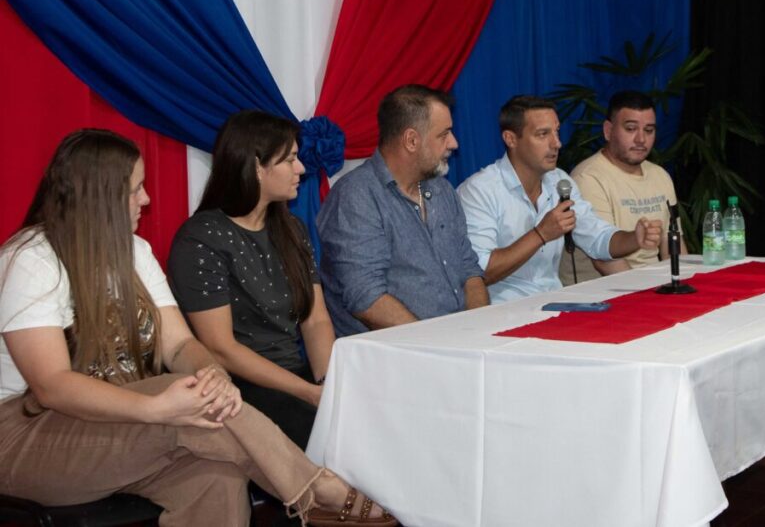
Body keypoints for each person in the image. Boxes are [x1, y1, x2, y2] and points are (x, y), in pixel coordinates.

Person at [0, 129, 395, 526]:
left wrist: (214, 377)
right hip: (27, 435)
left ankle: (317, 489)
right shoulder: (31, 260)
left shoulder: (135, 251)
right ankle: (320, 489)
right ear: (98, 196)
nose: (147, 200)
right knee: (170, 393)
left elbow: (179, 347)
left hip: (117, 425)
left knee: (217, 475)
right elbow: (52, 385)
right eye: (136, 189)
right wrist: (154, 408)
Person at [167, 111, 333, 447]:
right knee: (329, 442)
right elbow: (221, 349)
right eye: (289, 159)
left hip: (296, 378)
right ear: (257, 167)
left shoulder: (292, 229)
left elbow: (315, 320)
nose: (300, 169)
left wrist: (330, 384)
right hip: (239, 388)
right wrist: (310, 393)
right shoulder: (201, 238)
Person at [457, 95, 662, 304]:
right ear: (511, 139)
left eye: (556, 132)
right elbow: (479, 274)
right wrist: (541, 234)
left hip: (554, 302)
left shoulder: (560, 182)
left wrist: (634, 238)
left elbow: (598, 239)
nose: (557, 143)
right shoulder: (480, 191)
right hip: (502, 312)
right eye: (543, 134)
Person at [317, 85, 487, 335]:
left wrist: (477, 331)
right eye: (444, 134)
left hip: (455, 344)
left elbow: (469, 271)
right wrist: (438, 345)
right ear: (411, 140)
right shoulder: (356, 197)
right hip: (393, 356)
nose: (454, 143)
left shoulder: (442, 190)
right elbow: (367, 299)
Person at [569, 90, 679, 275]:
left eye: (649, 130)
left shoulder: (660, 175)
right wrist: (647, 298)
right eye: (630, 129)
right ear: (608, 131)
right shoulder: (587, 178)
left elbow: (674, 244)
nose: (641, 139)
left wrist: (683, 284)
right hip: (605, 293)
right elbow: (605, 260)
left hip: (655, 285)